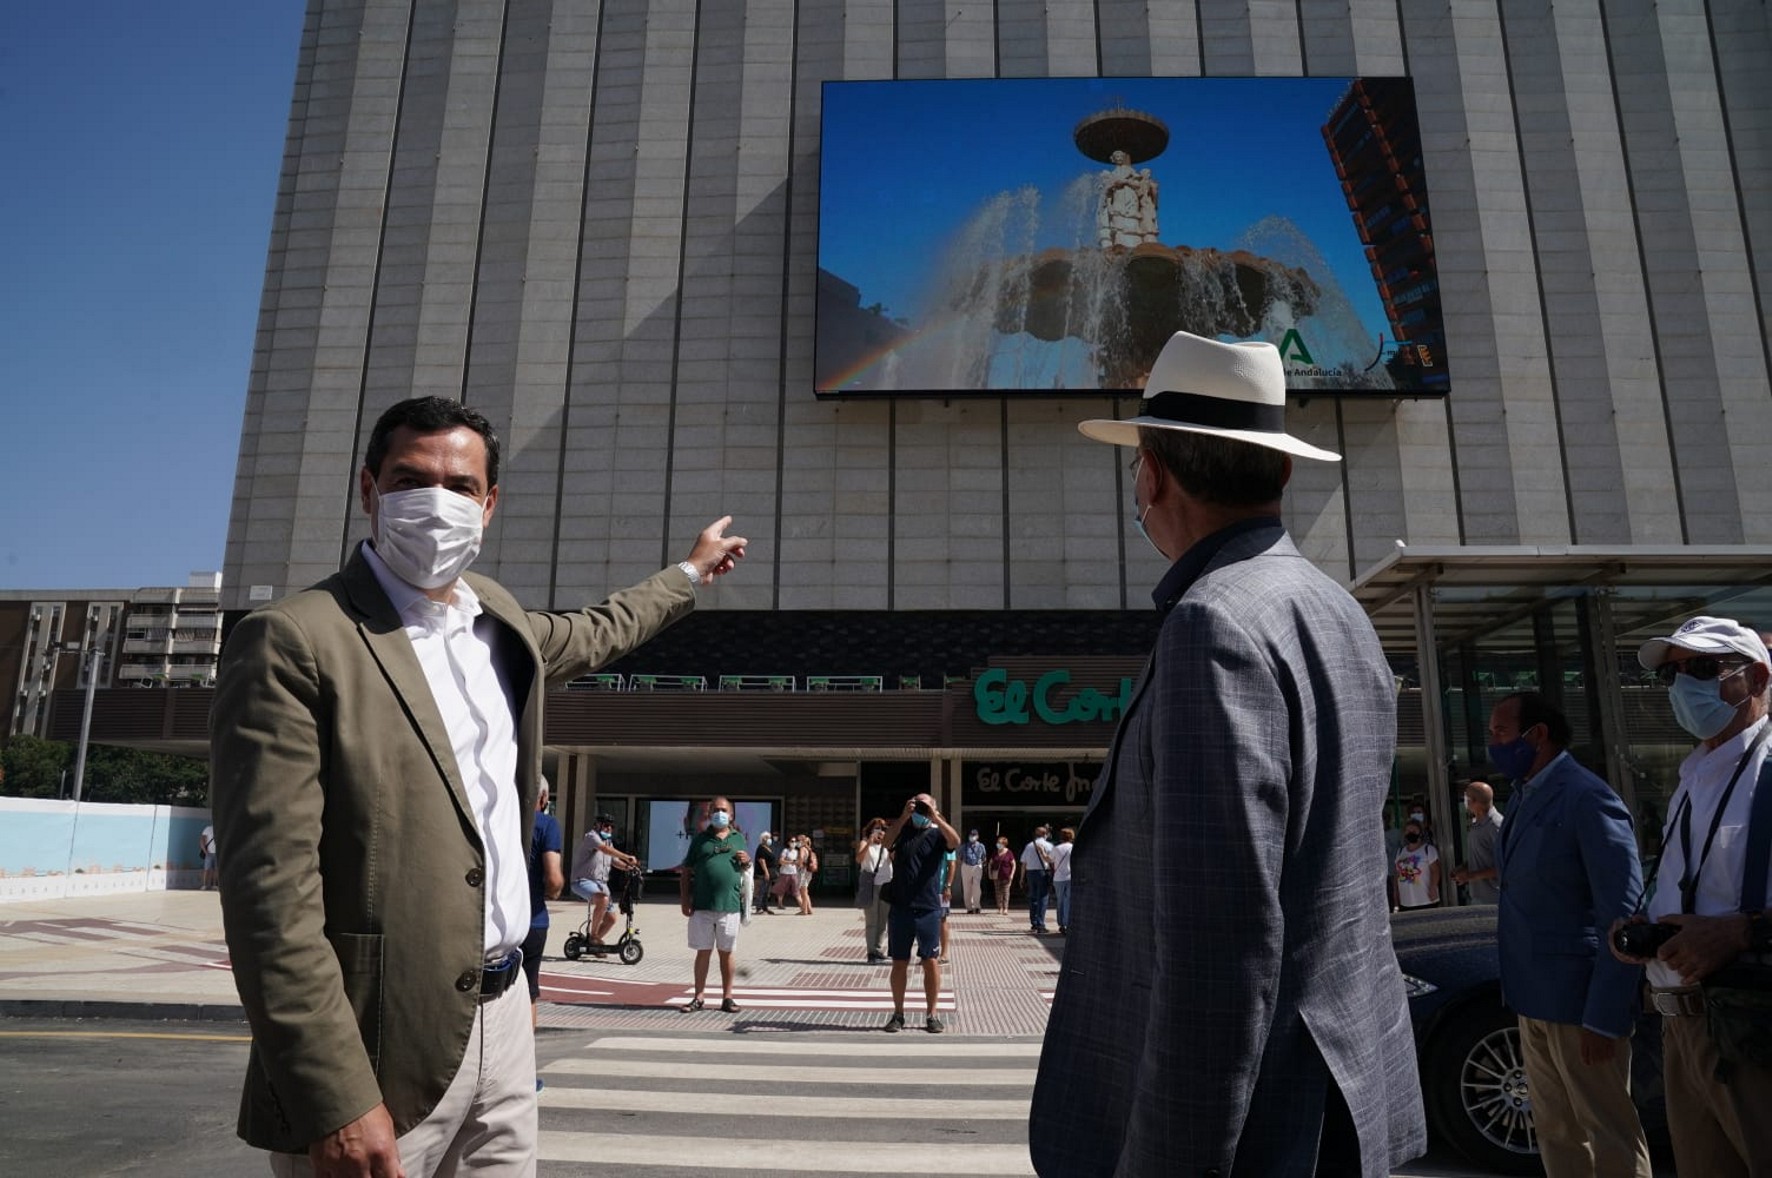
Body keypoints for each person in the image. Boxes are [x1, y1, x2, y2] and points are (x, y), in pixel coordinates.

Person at [210, 395, 746, 1174]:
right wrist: (332, 1095)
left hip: (506, 1017)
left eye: (460, 486)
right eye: (410, 479)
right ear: (369, 491)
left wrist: (689, 572)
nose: (436, 501)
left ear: (488, 505)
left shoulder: (495, 617)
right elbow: (268, 895)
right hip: (378, 1045)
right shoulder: (295, 640)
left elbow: (597, 629)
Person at [1031, 331, 1425, 1176]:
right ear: (1282, 471)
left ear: (1152, 474)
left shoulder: (1214, 625)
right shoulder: (1337, 610)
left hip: (1260, 1126)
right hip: (1336, 1095)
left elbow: (1221, 947)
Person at [1613, 617, 1772, 1173]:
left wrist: (1739, 932)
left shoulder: (1765, 768)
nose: (1685, 686)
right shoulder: (1694, 775)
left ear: (1755, 677)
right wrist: (1646, 929)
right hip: (1681, 1027)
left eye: (1704, 669)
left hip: (1751, 1032)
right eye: (1673, 674)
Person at [1490, 691, 1650, 1178]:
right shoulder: (1524, 794)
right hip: (1533, 999)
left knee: (1608, 1132)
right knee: (1557, 1131)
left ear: (1536, 734)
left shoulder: (1588, 798)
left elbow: (1624, 916)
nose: (1492, 743)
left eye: (1500, 731)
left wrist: (1604, 1016)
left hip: (1581, 1008)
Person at [881, 793, 960, 1033]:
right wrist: (904, 815)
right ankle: (897, 1014)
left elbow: (955, 842)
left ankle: (932, 1014)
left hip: (928, 908)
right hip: (901, 907)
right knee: (899, 962)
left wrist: (935, 815)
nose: (921, 809)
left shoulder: (937, 835)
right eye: (919, 804)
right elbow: (885, 843)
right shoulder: (902, 831)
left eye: (925, 805)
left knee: (930, 961)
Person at [678, 795, 750, 1014]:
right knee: (703, 952)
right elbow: (686, 871)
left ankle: (727, 998)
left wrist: (746, 860)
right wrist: (684, 900)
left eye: (724, 810)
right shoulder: (700, 839)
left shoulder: (739, 838)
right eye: (716, 809)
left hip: (729, 904)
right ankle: (699, 996)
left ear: (731, 814)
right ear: (710, 813)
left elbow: (746, 868)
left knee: (727, 952)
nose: (720, 813)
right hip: (702, 905)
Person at [522, 779, 563, 1045]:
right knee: (528, 992)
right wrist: (554, 891)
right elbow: (553, 877)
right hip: (532, 919)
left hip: (493, 922)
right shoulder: (546, 825)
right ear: (544, 798)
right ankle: (523, 1068)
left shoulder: (497, 821)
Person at [569, 813, 638, 950]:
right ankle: (594, 936)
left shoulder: (608, 842)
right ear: (598, 825)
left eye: (611, 826)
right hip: (583, 881)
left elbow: (614, 861)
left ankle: (594, 945)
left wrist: (628, 867)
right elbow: (605, 850)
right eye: (606, 825)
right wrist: (627, 857)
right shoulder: (591, 837)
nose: (609, 829)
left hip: (601, 884)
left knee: (611, 919)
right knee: (603, 899)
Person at [1452, 781, 1504, 904]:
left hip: (1495, 899)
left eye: (1466, 797)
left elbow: (1505, 866)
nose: (1465, 800)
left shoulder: (1496, 826)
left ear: (1474, 801)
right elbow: (1483, 855)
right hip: (1478, 897)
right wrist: (1464, 868)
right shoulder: (1476, 824)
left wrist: (1470, 876)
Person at [855, 819, 891, 963]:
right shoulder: (865, 843)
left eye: (882, 829)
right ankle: (871, 952)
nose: (880, 831)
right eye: (877, 828)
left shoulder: (887, 844)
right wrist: (869, 842)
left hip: (887, 884)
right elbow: (859, 859)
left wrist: (889, 843)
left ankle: (878, 949)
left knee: (883, 920)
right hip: (871, 884)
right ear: (870, 830)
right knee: (872, 920)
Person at [1392, 819, 1440, 911]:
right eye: (1408, 831)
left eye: (1414, 831)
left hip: (1426, 900)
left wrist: (1433, 887)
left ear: (1420, 833)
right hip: (1405, 902)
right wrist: (1396, 899)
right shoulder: (1400, 852)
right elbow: (1396, 876)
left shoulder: (1428, 849)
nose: (1411, 833)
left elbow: (1435, 870)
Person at [1020, 826, 1054, 934]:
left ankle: (1034, 923)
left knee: (1033, 897)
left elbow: (1023, 863)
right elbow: (1053, 860)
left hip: (1030, 873)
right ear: (1046, 834)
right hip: (1042, 872)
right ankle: (1040, 924)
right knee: (1043, 898)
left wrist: (1021, 877)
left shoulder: (1029, 845)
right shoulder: (1048, 845)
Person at [1050, 828, 1075, 935]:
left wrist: (1042, 853)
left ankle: (1061, 924)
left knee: (1060, 901)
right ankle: (1067, 923)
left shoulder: (1056, 848)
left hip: (1058, 878)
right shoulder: (1074, 847)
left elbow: (1049, 860)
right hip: (1070, 877)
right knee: (1068, 901)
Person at [958, 828, 987, 913]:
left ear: (977, 836)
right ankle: (969, 908)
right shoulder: (964, 846)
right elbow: (959, 857)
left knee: (976, 887)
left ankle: (977, 906)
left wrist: (981, 864)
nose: (972, 837)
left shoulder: (981, 846)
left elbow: (984, 857)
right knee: (967, 888)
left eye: (974, 835)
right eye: (971, 835)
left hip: (977, 866)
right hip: (966, 866)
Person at [751, 831, 777, 914]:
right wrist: (766, 872)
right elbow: (762, 861)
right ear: (763, 839)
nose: (769, 839)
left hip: (769, 872)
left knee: (766, 891)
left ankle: (765, 907)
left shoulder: (768, 848)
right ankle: (759, 908)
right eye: (767, 837)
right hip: (763, 873)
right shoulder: (761, 848)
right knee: (761, 891)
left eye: (769, 837)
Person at [773, 833, 801, 910]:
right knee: (781, 889)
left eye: (795, 841)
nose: (794, 843)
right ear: (788, 842)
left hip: (794, 873)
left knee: (796, 889)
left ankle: (802, 906)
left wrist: (797, 863)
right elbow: (781, 861)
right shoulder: (785, 851)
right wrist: (791, 862)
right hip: (784, 873)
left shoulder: (797, 852)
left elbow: (798, 862)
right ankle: (780, 903)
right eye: (792, 841)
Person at [989, 836, 1015, 915]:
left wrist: (1012, 874)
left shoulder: (1009, 852)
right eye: (998, 843)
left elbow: (1013, 864)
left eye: (1000, 843)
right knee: (998, 892)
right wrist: (990, 873)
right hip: (996, 876)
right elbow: (990, 863)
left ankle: (1005, 908)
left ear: (1004, 844)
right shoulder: (995, 853)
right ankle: (999, 908)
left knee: (1006, 892)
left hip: (1006, 876)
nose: (998, 844)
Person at [199, 823, 218, 891]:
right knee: (207, 870)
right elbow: (202, 840)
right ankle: (205, 885)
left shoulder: (220, 828)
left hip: (217, 853)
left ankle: (215, 885)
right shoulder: (208, 829)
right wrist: (205, 851)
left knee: (216, 870)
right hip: (209, 853)